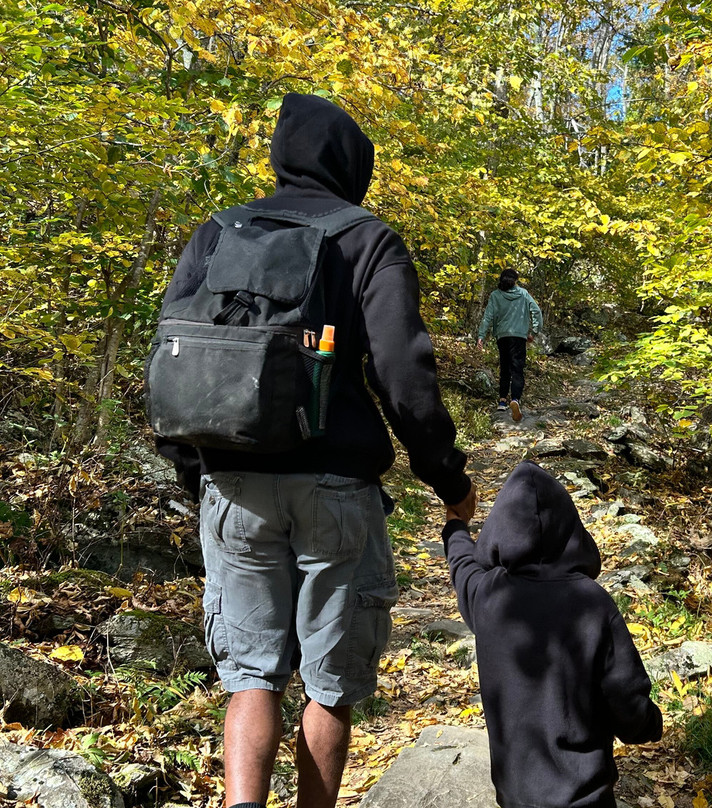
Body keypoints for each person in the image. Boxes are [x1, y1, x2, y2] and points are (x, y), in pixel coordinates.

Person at [154, 92, 477, 808]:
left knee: (250, 675)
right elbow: (404, 375)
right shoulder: (367, 238)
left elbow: (174, 356)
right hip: (336, 485)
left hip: (231, 480)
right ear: (352, 165)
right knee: (329, 682)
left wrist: (195, 472)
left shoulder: (218, 231)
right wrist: (447, 481)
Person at [442, 461, 662, 808]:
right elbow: (625, 696)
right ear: (571, 531)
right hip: (585, 797)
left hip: (515, 797)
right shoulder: (591, 602)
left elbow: (463, 566)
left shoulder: (489, 596)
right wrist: (649, 724)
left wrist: (455, 526)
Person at [476, 268, 542, 422]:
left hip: (502, 337)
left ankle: (502, 401)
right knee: (517, 368)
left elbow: (488, 317)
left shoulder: (495, 295)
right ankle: (516, 399)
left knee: (505, 367)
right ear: (515, 280)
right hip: (519, 336)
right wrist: (535, 331)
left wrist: (481, 336)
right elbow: (536, 311)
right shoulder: (524, 294)